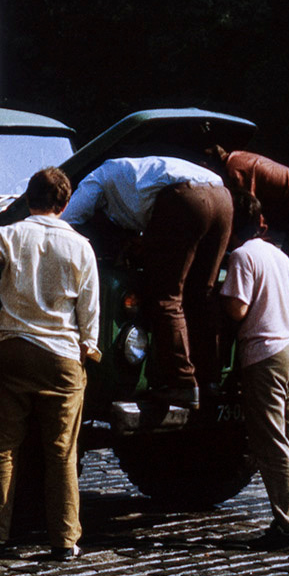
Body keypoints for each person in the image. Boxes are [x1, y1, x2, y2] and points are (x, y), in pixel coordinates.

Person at [0, 168, 99, 561]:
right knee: (62, 452)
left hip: (12, 348)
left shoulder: (10, 234)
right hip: (61, 355)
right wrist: (86, 350)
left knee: (2, 446)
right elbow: (90, 314)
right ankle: (64, 540)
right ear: (64, 204)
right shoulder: (81, 247)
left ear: (28, 200)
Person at [61, 155, 232, 410]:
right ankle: (210, 380)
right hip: (222, 197)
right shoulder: (131, 172)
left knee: (166, 296)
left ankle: (183, 383)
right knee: (202, 293)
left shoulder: (96, 178)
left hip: (186, 199)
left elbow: (68, 221)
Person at [220, 192, 289, 550]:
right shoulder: (279, 256)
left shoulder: (242, 256)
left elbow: (238, 310)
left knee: (272, 443)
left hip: (266, 358)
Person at [209, 146, 289, 397]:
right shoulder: (244, 159)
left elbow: (249, 214)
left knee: (287, 293)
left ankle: (273, 368)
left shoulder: (234, 168)